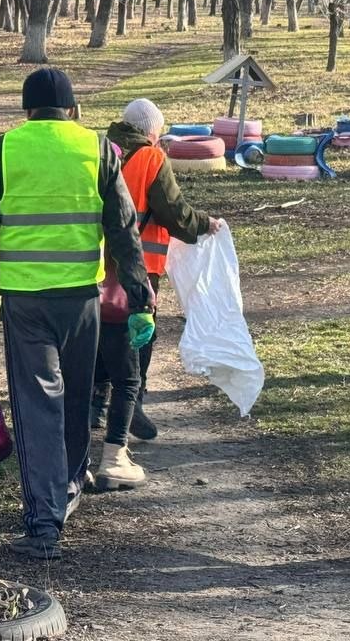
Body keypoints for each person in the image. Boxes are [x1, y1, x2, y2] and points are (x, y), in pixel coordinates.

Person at [0, 68, 151, 559]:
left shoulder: (4, 149)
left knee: (38, 406)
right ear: (71, 108)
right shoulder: (98, 148)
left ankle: (44, 525)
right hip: (82, 300)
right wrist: (139, 298)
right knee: (75, 398)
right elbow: (124, 228)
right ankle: (68, 486)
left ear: (27, 110)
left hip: (25, 301)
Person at [92, 98, 223, 457]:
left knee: (101, 330)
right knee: (139, 334)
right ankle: (133, 403)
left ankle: (96, 403)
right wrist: (204, 224)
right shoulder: (151, 158)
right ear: (151, 131)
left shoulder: (99, 149)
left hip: (94, 261)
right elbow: (173, 212)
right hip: (139, 265)